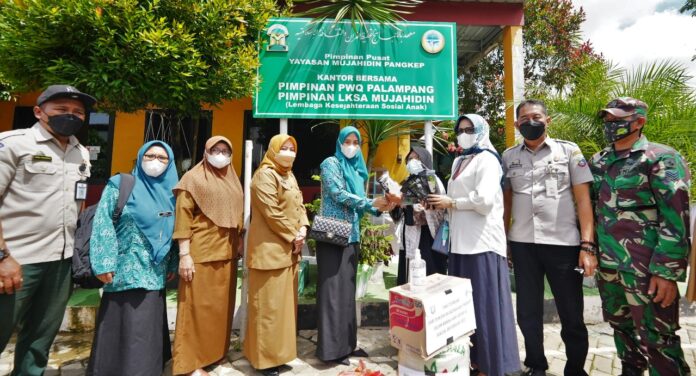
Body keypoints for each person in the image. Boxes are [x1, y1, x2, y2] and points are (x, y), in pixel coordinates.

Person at [591, 97, 691, 375]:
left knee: (658, 337)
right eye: (608, 120)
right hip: (610, 267)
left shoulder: (661, 158)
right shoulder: (599, 161)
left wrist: (667, 273)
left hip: (647, 270)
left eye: (618, 120)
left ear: (639, 122)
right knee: (621, 330)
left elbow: (676, 219)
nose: (611, 125)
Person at [0, 84, 94, 375]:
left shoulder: (81, 153)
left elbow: (77, 202)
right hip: (17, 260)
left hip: (60, 263)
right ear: (39, 112)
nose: (71, 115)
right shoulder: (14, 143)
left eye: (78, 112)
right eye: (62, 109)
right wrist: (3, 257)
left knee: (38, 342)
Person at [502, 99, 596, 376]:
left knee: (571, 313)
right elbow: (506, 204)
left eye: (536, 116)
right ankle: (536, 365)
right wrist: (505, 240)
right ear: (517, 124)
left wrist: (587, 245)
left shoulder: (568, 151)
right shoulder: (509, 157)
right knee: (527, 312)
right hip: (523, 244)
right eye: (524, 118)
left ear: (547, 120)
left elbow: (584, 202)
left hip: (563, 244)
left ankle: (575, 369)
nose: (531, 122)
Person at [427, 114, 520, 376]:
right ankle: (473, 359)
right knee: (465, 308)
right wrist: (440, 201)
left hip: (482, 244)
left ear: (481, 130)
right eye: (460, 130)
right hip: (459, 244)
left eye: (469, 129)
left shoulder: (488, 160)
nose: (463, 133)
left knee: (485, 305)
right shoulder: (460, 160)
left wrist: (452, 203)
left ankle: (493, 364)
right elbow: (455, 197)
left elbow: (485, 201)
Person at [87, 140, 179, 375]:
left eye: (162, 158)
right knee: (119, 320)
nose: (155, 162)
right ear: (139, 158)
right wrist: (103, 261)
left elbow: (177, 230)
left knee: (144, 325)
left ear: (170, 163)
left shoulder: (173, 192)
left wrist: (174, 262)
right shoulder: (120, 185)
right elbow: (103, 222)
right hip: (121, 269)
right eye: (149, 156)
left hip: (154, 271)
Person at [315, 126, 390, 365]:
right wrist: (370, 204)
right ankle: (330, 351)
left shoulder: (358, 169)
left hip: (352, 235)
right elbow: (337, 193)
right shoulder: (330, 164)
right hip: (332, 235)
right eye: (347, 141)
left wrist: (380, 203)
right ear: (339, 142)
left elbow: (361, 200)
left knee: (347, 293)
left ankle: (347, 345)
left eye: (355, 142)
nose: (351, 146)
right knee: (332, 293)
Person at [172, 136, 244, 376]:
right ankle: (189, 365)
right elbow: (182, 218)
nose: (221, 154)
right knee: (194, 310)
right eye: (216, 150)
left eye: (225, 150)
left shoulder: (233, 180)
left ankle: (211, 355)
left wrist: (240, 241)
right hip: (201, 253)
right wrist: (185, 255)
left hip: (227, 253)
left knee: (218, 310)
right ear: (206, 151)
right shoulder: (192, 179)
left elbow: (238, 215)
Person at [244, 135, 309, 376]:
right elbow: (271, 213)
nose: (289, 152)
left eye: (293, 148)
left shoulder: (288, 174)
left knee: (282, 310)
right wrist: (294, 235)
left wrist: (303, 227)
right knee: (267, 311)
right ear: (273, 150)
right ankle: (264, 360)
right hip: (269, 252)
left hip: (288, 251)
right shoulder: (264, 175)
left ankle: (280, 355)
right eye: (284, 148)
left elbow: (300, 204)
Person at [391, 146, 447, 285]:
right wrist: (397, 203)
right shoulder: (407, 181)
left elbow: (438, 205)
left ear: (425, 160)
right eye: (410, 159)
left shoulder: (432, 179)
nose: (412, 161)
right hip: (409, 231)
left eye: (417, 158)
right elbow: (399, 213)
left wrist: (415, 204)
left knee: (429, 273)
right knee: (408, 271)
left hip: (428, 234)